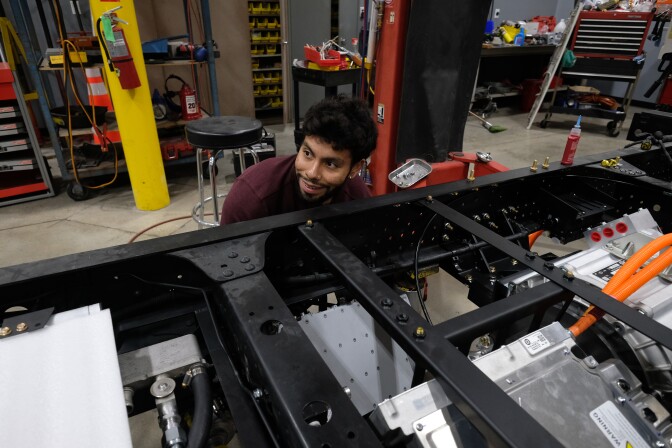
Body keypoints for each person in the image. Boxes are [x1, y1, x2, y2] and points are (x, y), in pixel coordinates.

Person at [220, 94, 378, 225]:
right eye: (308, 154)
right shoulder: (251, 198)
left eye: (330, 164)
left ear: (356, 168)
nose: (312, 173)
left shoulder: (358, 201)